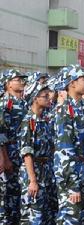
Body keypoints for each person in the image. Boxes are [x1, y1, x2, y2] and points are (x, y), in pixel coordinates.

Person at [53, 65, 84, 224]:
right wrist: (73, 184)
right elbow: (64, 149)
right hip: (73, 175)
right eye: (83, 79)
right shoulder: (65, 109)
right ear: (72, 83)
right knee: (70, 218)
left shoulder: (83, 108)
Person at [19, 82, 57, 224]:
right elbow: (27, 153)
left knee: (47, 215)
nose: (49, 98)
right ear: (35, 98)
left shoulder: (44, 120)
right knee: (33, 216)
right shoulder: (29, 122)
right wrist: (33, 180)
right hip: (33, 172)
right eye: (45, 96)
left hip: (46, 171)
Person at [0, 69, 28, 224]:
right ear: (8, 83)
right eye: (17, 79)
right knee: (8, 194)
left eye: (22, 79)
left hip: (21, 152)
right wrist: (5, 158)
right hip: (10, 152)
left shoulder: (23, 102)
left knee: (19, 193)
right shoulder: (5, 103)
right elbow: (1, 133)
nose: (21, 82)